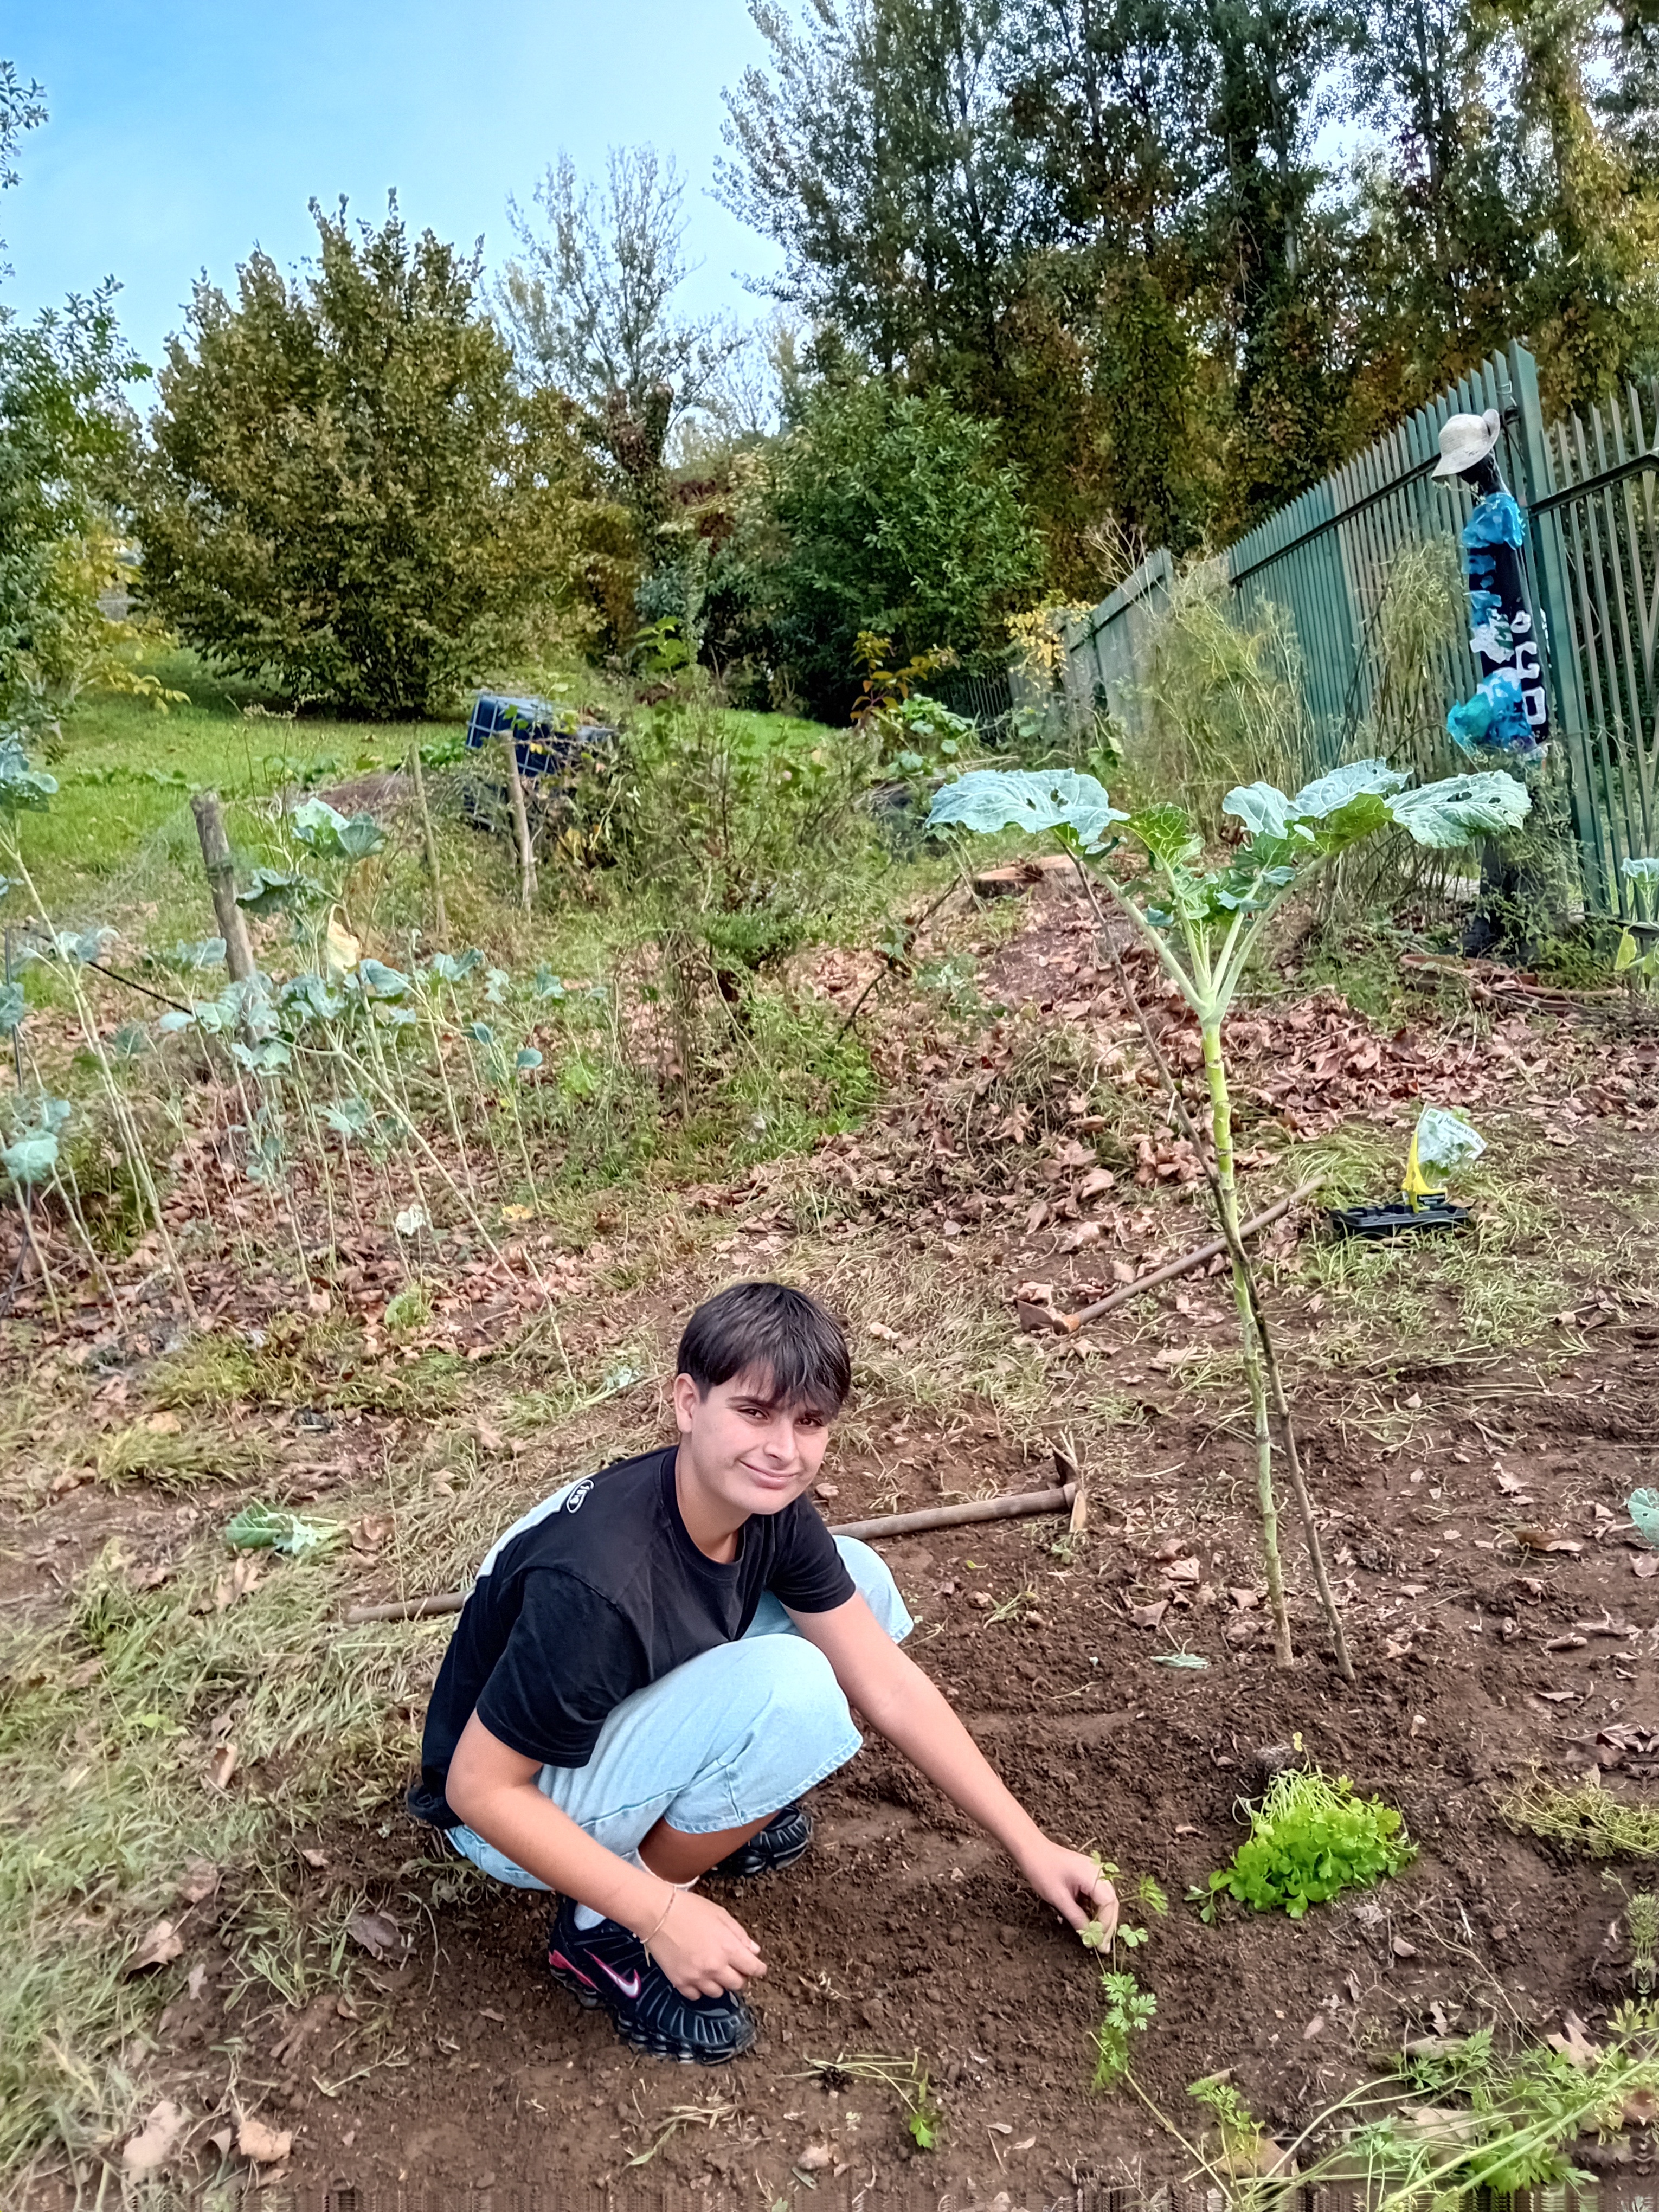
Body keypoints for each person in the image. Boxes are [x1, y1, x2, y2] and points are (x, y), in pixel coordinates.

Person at [409, 1279, 1118, 2065]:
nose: (784, 1449)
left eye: (809, 1422)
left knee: (861, 1583)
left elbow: (887, 1684)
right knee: (797, 1692)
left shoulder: (764, 1508)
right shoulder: (600, 1585)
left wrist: (1029, 1842)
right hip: (504, 1815)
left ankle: (697, 1815)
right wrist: (657, 1914)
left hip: (585, 1730)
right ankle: (599, 1932)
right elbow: (478, 1790)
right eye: (754, 1412)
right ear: (687, 1402)